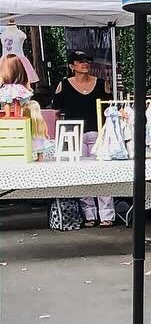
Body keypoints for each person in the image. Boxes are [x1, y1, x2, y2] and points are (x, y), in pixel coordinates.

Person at [50, 49, 113, 226]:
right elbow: (57, 111)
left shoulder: (101, 83)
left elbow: (109, 108)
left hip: (97, 133)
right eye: (80, 61)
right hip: (73, 134)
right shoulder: (64, 85)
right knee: (82, 174)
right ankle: (89, 214)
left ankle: (107, 215)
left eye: (87, 61)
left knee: (102, 174)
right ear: (72, 66)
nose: (85, 64)